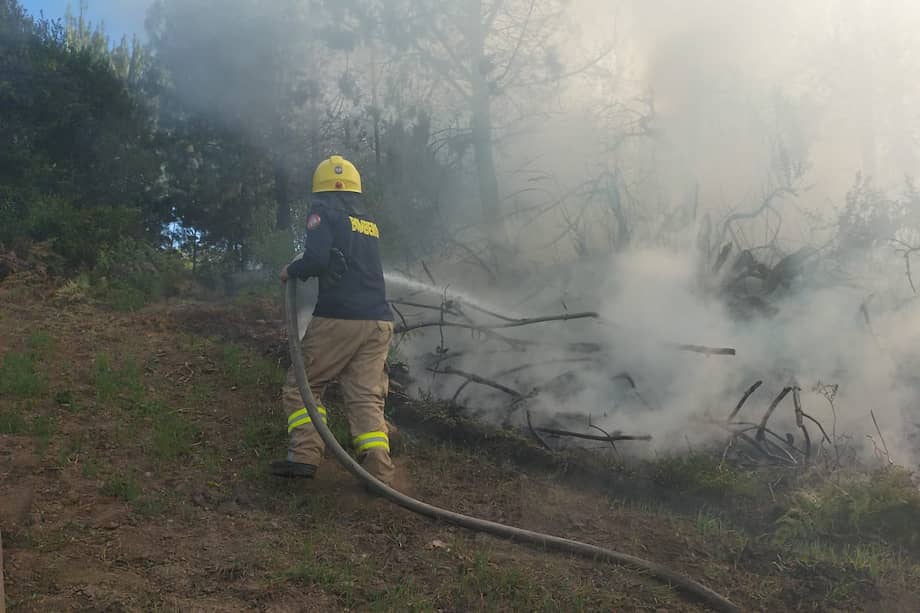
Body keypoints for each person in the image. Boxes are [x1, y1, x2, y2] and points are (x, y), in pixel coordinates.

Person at [272, 155, 397, 487]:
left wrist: (291, 270)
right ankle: (378, 474)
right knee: (365, 397)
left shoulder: (322, 213)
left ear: (320, 190)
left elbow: (316, 259)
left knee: (303, 385)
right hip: (379, 322)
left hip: (340, 318)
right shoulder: (368, 223)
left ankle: (304, 455)